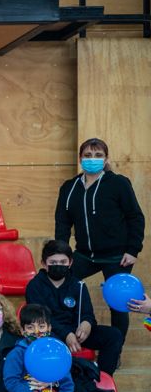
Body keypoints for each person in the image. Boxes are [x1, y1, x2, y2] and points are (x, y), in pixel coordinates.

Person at [55, 137, 145, 345]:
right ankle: (68, 338)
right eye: (87, 155)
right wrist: (62, 254)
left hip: (117, 256)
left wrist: (133, 250)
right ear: (80, 159)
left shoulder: (118, 183)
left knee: (118, 303)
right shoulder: (69, 188)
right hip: (84, 255)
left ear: (105, 159)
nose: (92, 159)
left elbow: (135, 217)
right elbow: (62, 223)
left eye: (97, 155)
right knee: (64, 286)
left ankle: (116, 348)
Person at [25, 239, 122, 375]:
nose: (58, 265)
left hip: (76, 333)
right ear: (44, 264)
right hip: (50, 333)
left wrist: (86, 324)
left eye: (63, 262)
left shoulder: (79, 285)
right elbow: (41, 319)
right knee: (48, 340)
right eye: (53, 262)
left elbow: (87, 313)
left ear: (70, 263)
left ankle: (102, 378)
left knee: (114, 335)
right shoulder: (34, 286)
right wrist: (66, 334)